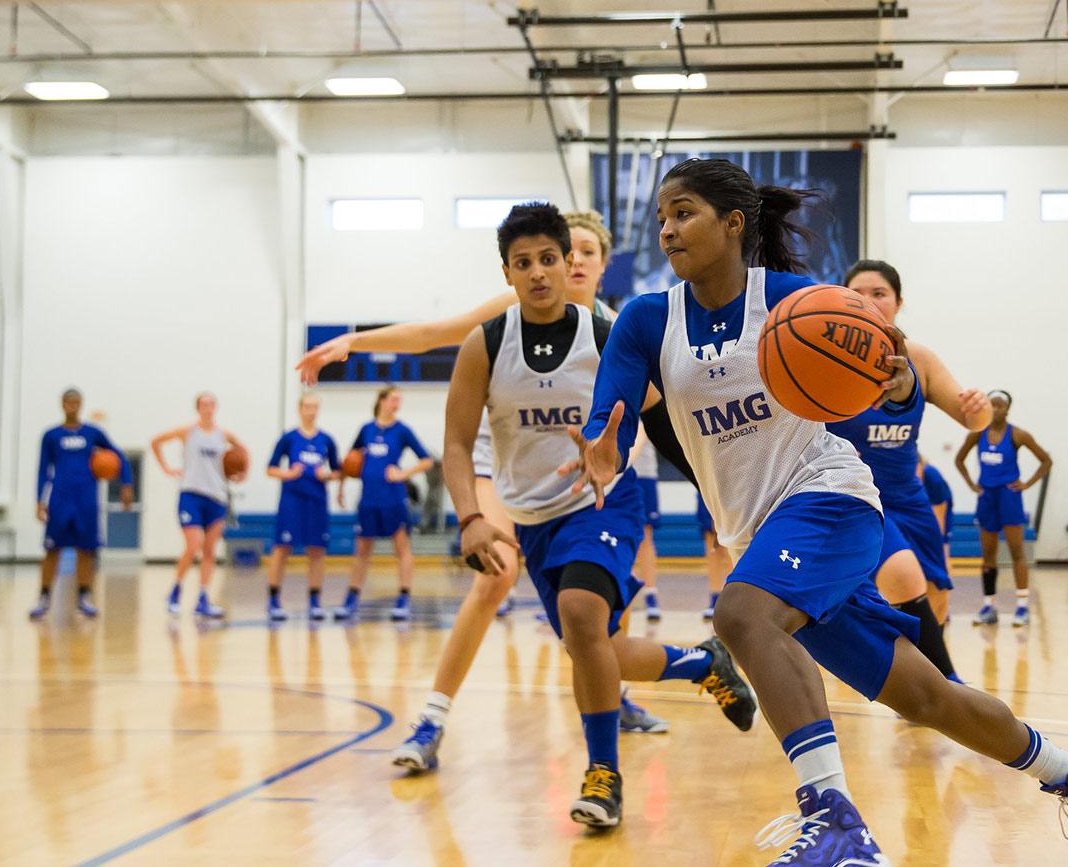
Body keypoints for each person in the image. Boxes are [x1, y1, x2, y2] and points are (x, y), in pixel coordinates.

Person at [568, 158, 1068, 866]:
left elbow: (890, 376)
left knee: (741, 616)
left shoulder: (802, 301)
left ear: (733, 222)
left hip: (829, 497)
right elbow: (610, 401)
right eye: (663, 217)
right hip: (758, 530)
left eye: (684, 212)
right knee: (926, 696)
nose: (668, 228)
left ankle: (836, 823)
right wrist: (601, 438)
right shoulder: (649, 318)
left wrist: (895, 385)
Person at [407, 202, 755, 829]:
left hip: (603, 500)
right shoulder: (484, 345)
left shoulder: (605, 333)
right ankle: (702, 664)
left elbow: (663, 408)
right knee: (596, 647)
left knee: (580, 615)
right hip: (532, 516)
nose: (538, 272)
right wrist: (470, 518)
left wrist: (641, 453)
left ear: (570, 264)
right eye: (523, 263)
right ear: (507, 272)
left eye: (549, 258)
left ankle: (604, 776)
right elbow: (457, 444)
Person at [310, 210, 670, 744]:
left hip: (579, 471)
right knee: (497, 570)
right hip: (496, 460)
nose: (567, 264)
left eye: (584, 252)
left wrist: (617, 451)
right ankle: (433, 714)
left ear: (595, 264)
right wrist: (354, 343)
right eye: (549, 254)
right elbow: (436, 332)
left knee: (595, 597)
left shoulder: (611, 327)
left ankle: (613, 693)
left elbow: (646, 412)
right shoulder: (511, 313)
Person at [828, 258, 989, 684]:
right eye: (856, 293)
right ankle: (944, 686)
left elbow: (973, 419)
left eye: (878, 293)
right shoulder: (822, 358)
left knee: (935, 591)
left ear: (899, 303)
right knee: (901, 578)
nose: (867, 300)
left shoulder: (919, 359)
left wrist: (979, 409)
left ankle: (924, 684)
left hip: (908, 494)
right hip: (853, 495)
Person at [29, 388, 133, 620]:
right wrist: (39, 500)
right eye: (68, 402)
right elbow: (42, 469)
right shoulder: (51, 435)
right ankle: (44, 597)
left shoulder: (93, 433)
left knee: (87, 550)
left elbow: (120, 457)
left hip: (86, 498)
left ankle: (84, 596)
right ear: (62, 404)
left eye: (76, 402)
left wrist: (126, 484)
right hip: (60, 498)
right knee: (51, 549)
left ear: (81, 404)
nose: (72, 405)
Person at [334, 386, 433, 621]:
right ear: (381, 401)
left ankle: (404, 598)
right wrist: (340, 488)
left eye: (399, 400)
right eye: (394, 399)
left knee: (402, 549)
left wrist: (403, 473)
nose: (397, 404)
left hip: (393, 499)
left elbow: (427, 460)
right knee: (362, 551)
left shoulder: (402, 431)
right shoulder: (366, 430)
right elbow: (349, 461)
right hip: (369, 499)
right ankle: (351, 599)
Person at [956, 391, 1050, 628]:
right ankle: (989, 606)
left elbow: (1046, 460)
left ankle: (1021, 607)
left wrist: (1027, 483)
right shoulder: (977, 434)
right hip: (987, 496)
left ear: (1007, 409)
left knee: (1017, 552)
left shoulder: (1018, 434)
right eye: (992, 405)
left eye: (1000, 406)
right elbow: (959, 459)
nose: (996, 409)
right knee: (988, 555)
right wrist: (971, 483)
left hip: (1009, 497)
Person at [150, 392, 248, 619]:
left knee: (209, 551)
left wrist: (242, 472)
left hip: (217, 497)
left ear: (216, 407)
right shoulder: (187, 431)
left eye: (211, 404)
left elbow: (243, 451)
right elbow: (156, 442)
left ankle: (203, 598)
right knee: (193, 545)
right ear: (197, 408)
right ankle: (175, 590)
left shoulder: (223, 434)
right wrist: (166, 468)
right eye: (204, 404)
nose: (208, 408)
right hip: (191, 495)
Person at [266, 392, 340, 622]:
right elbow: (270, 468)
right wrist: (288, 473)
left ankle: (315, 602)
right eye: (307, 406)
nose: (311, 410)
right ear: (300, 409)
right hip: (292, 499)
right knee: (282, 548)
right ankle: (273, 600)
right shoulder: (288, 438)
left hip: (317, 499)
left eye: (315, 407)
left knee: (317, 551)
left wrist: (326, 475)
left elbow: (338, 471)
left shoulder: (326, 440)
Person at [628, 429, 663, 621]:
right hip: (616, 472)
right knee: (619, 534)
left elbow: (642, 431)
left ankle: (650, 595)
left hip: (642, 473)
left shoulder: (641, 398)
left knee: (645, 535)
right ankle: (623, 590)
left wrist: (624, 460)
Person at [918, 455, 954, 624]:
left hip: (937, 519)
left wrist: (942, 549)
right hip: (918, 516)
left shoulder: (931, 476)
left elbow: (939, 518)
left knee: (940, 566)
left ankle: (941, 609)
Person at [695, 492, 732, 620]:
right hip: (708, 486)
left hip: (733, 487)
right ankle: (715, 597)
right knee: (712, 544)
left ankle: (734, 597)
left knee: (731, 544)